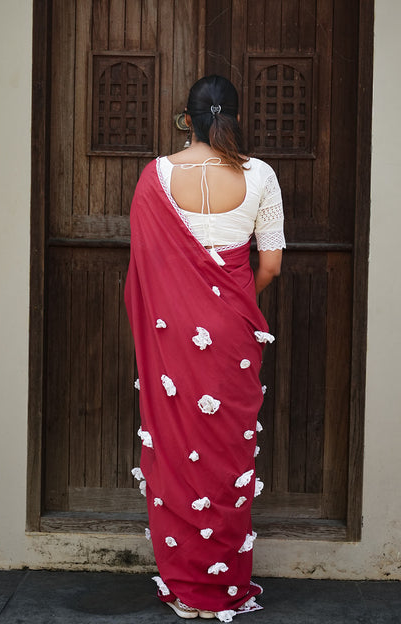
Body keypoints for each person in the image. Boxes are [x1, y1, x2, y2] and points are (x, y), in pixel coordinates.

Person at [124, 75, 285, 622]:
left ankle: (186, 589)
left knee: (177, 450)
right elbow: (270, 265)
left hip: (175, 341)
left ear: (184, 119)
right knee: (227, 456)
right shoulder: (261, 175)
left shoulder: (157, 177)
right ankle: (222, 588)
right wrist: (227, 302)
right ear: (235, 118)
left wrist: (192, 302)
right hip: (234, 336)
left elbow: (148, 271)